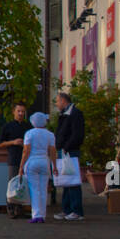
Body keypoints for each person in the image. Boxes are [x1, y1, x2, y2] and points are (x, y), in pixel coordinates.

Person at [18, 113, 57, 224]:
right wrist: (54, 166)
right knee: (43, 189)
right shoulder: (50, 135)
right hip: (45, 161)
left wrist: (21, 166)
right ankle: (42, 215)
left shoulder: (29, 134)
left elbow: (26, 151)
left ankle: (36, 215)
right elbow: (53, 151)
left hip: (32, 162)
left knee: (34, 189)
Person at [54, 91, 86, 221]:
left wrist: (66, 147)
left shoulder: (74, 114)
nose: (56, 104)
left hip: (70, 151)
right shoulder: (65, 114)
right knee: (66, 180)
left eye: (57, 101)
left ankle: (76, 210)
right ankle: (67, 209)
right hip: (65, 150)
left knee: (72, 180)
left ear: (63, 101)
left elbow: (77, 134)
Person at [0, 101, 30, 178]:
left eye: (22, 111)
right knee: (13, 184)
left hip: (27, 161)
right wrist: (13, 142)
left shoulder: (28, 127)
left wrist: (25, 145)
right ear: (14, 112)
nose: (20, 113)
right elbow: (1, 143)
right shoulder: (7, 126)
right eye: (18, 111)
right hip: (13, 160)